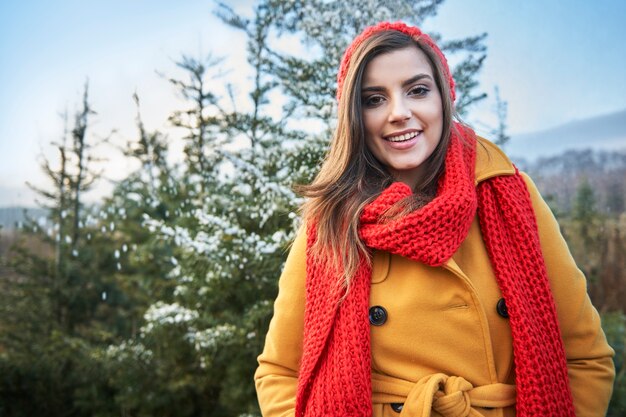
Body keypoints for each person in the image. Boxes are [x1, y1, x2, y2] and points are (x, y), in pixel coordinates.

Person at [254, 21, 615, 417]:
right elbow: (280, 372)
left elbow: (585, 356)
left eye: (417, 90)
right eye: (374, 99)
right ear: (354, 116)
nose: (399, 113)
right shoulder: (333, 221)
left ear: (443, 97)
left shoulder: (511, 196)